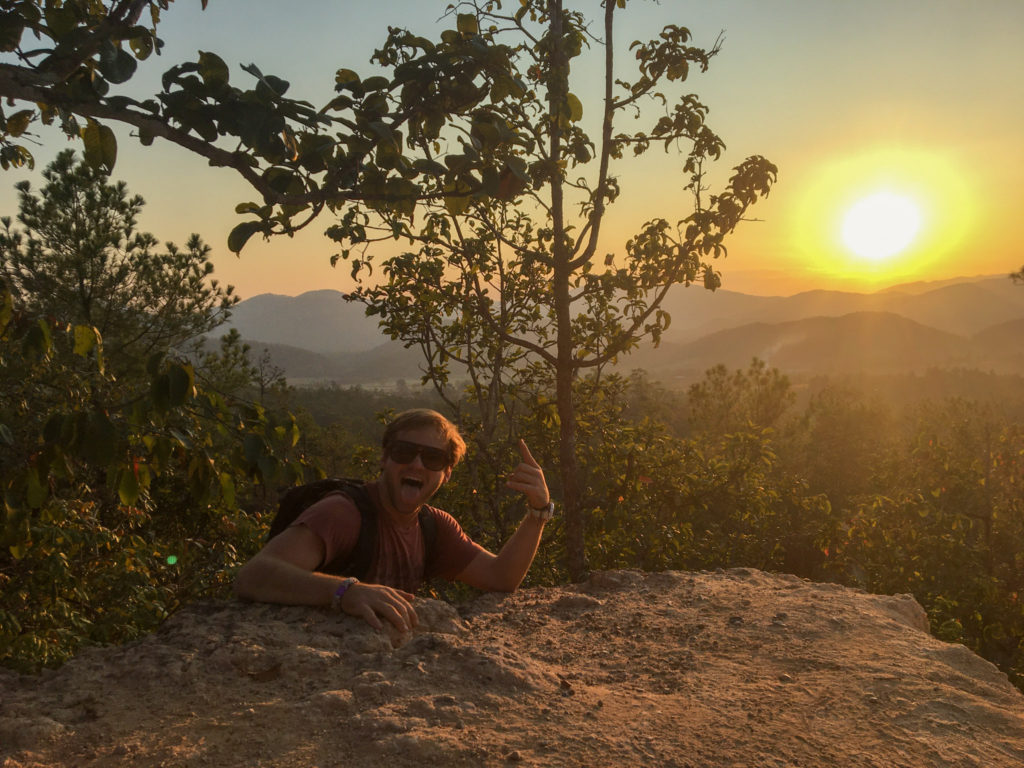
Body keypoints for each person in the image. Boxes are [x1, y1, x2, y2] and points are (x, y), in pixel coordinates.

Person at [234, 408, 553, 634]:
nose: (416, 463)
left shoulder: (434, 527)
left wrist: (538, 510)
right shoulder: (342, 513)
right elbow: (253, 576)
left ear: (446, 474)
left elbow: (501, 577)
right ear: (384, 458)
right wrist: (346, 592)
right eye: (404, 451)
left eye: (432, 458)